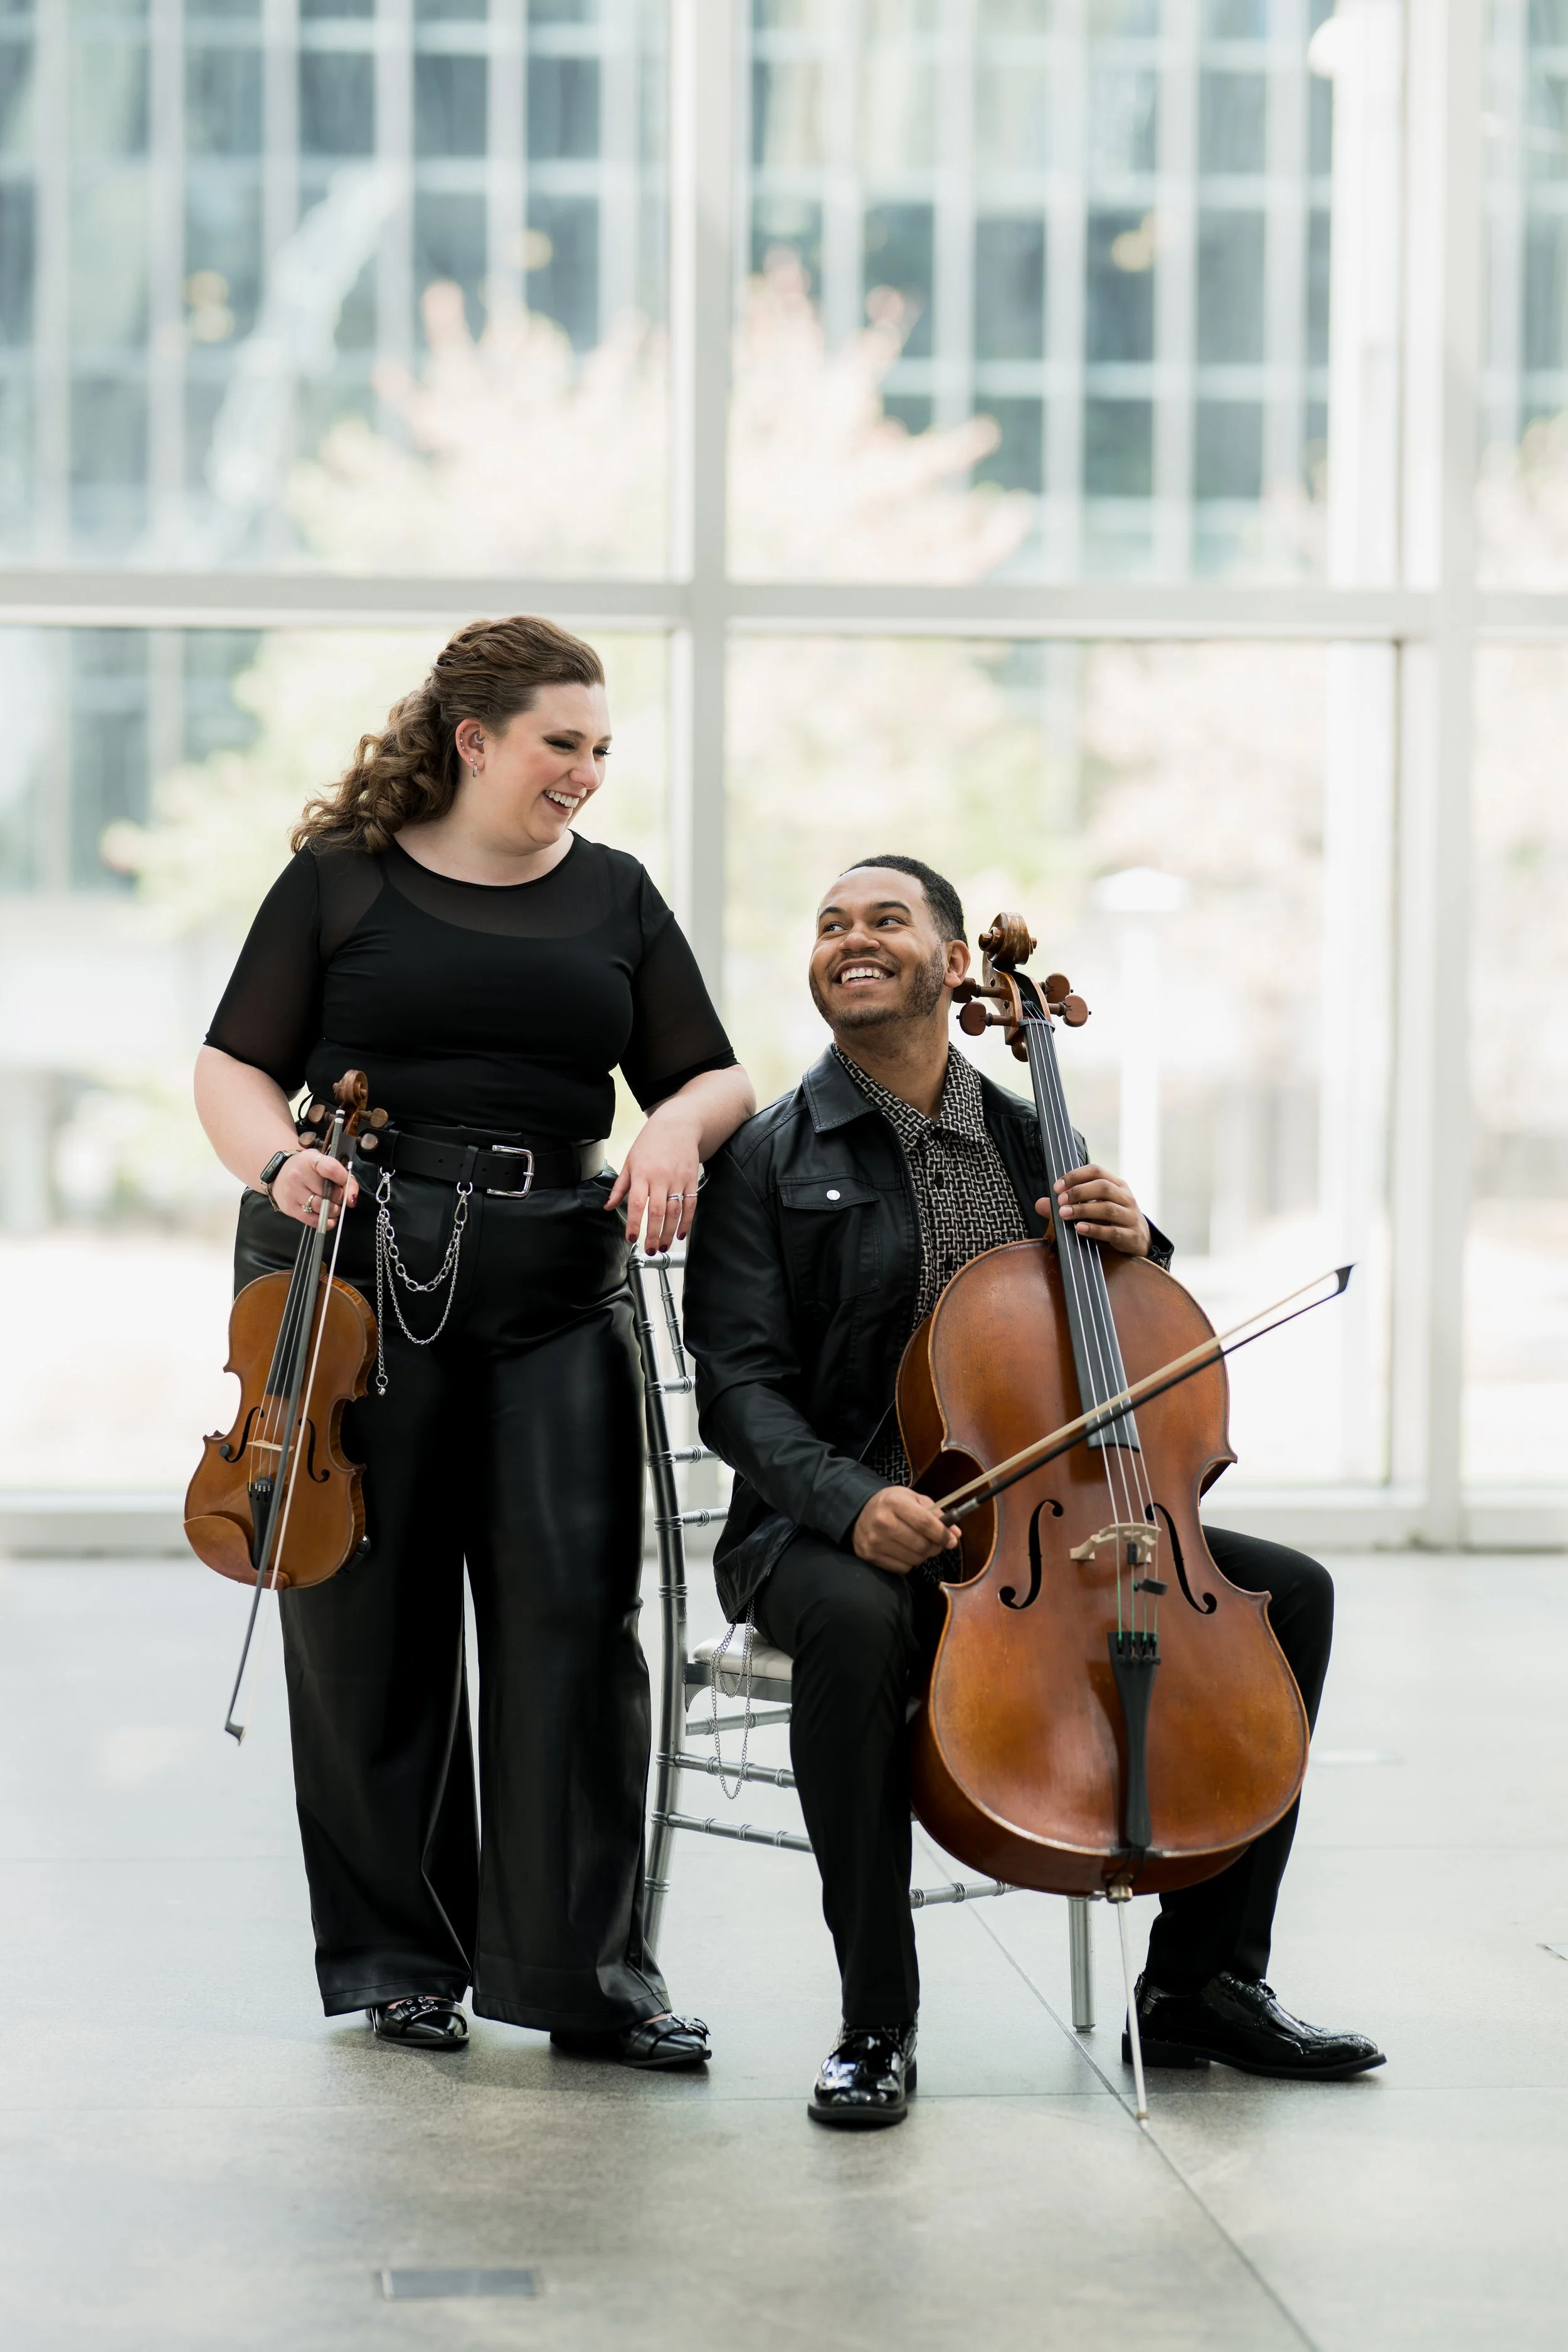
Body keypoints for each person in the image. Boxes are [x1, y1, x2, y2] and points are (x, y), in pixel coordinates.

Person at [682, 853, 1384, 2127]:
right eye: (829, 922)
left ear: (957, 966)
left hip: (1035, 1520)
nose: (850, 938)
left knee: (1287, 1596)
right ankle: (871, 2024)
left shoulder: (1028, 1138)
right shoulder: (767, 1158)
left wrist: (1137, 1241)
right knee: (852, 1618)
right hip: (823, 1523)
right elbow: (736, 1391)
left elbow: (1128, 1343)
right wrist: (849, 1501)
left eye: (883, 919)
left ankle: (1199, 1983)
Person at [195, 614, 754, 2065]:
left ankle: (585, 1982)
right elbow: (234, 1066)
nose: (585, 774)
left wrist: (675, 1138)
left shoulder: (617, 898)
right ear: (477, 741)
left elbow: (705, 1075)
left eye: (600, 750)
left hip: (555, 1283)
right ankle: (399, 1960)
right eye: (562, 746)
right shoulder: (339, 884)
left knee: (576, 1622)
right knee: (365, 1626)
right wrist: (274, 1164)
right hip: (357, 1273)